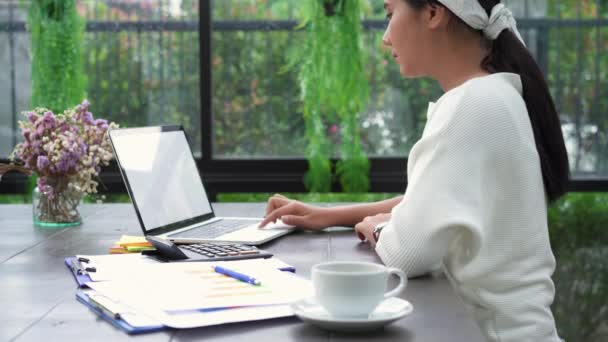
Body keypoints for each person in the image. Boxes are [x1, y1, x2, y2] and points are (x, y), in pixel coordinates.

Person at [259, 0, 569, 341]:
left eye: (390, 14)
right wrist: (330, 216)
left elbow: (405, 254)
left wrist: (379, 231)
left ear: (434, 13)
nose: (385, 38)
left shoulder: (471, 105)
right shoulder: (493, 94)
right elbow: (428, 201)